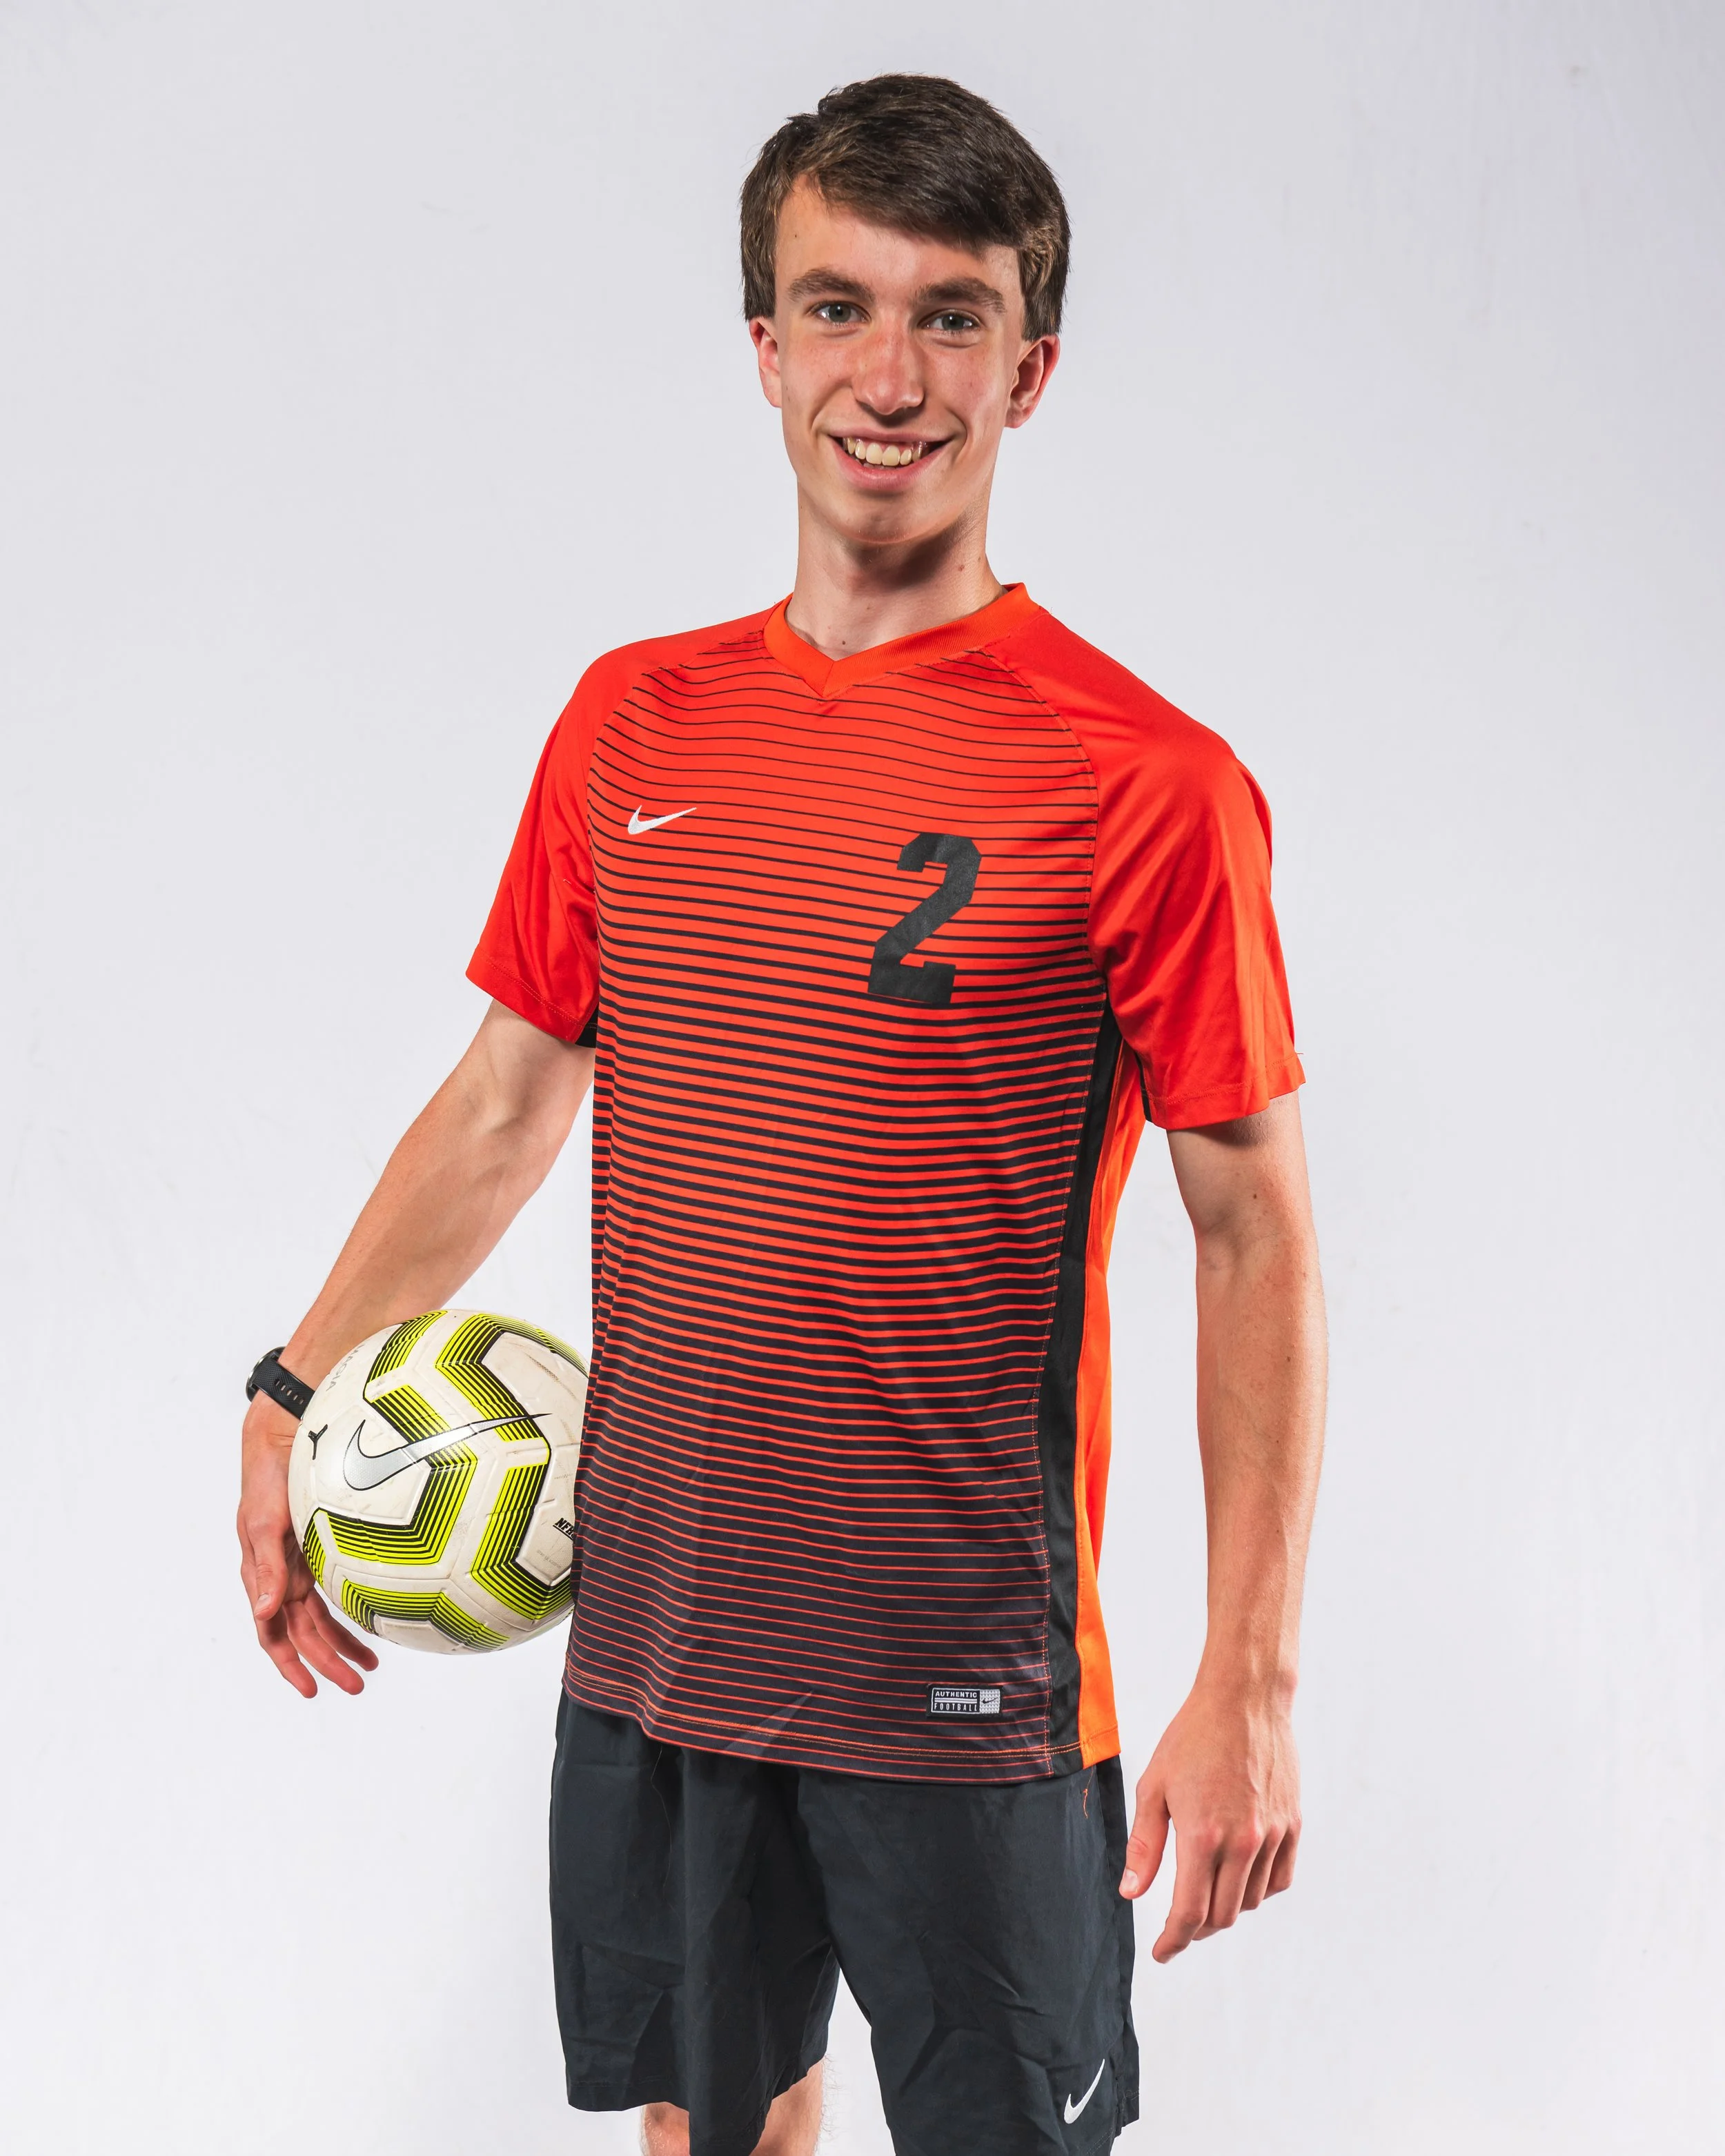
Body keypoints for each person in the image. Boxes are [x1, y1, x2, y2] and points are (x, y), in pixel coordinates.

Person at [237, 72, 1326, 2156]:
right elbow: (501, 1097)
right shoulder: (630, 718)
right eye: (835, 308)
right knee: (707, 2135)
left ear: (1033, 365)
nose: (888, 375)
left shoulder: (1141, 780)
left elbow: (1252, 1228)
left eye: (948, 315)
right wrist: (294, 1384)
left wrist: (1248, 1675)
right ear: (761, 349)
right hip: (657, 1635)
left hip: (968, 1672)